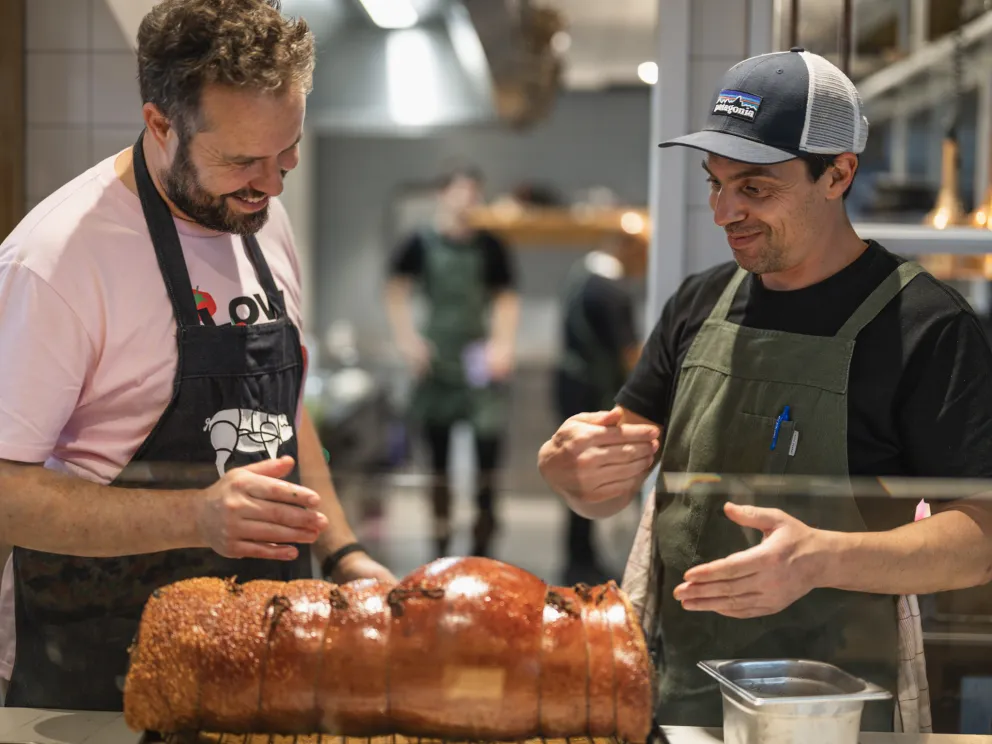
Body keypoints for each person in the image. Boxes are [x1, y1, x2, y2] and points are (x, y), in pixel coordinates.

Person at [538, 48, 992, 731]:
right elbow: (608, 481)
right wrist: (573, 473)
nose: (724, 212)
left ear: (838, 174)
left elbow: (981, 539)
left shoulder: (926, 327)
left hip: (837, 709)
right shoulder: (699, 303)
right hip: (678, 697)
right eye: (715, 183)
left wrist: (821, 558)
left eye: (754, 188)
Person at [0, 0, 394, 710]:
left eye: (287, 153)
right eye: (242, 160)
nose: (272, 186)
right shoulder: (56, 262)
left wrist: (343, 554)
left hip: (264, 661)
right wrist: (195, 516)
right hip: (99, 673)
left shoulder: (258, 218)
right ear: (160, 124)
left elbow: (283, 412)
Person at [385, 168, 519, 559]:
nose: (466, 201)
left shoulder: (492, 246)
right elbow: (395, 290)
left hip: (478, 355)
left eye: (473, 194)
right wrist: (408, 341)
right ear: (443, 195)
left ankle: (484, 535)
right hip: (436, 356)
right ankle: (440, 538)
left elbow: (507, 299)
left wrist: (503, 345)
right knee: (437, 455)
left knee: (488, 444)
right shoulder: (419, 242)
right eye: (460, 193)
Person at [554, 234, 644, 585]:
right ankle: (582, 562)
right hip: (593, 394)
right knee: (588, 477)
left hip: (569, 387)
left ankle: (580, 558)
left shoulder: (581, 276)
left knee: (577, 474)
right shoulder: (610, 292)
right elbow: (630, 354)